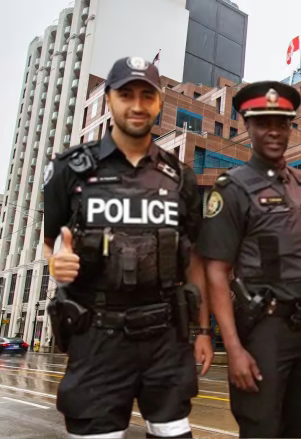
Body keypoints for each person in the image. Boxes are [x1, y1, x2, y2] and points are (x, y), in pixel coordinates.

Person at [44, 57, 213, 438]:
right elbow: (51, 241)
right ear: (109, 100)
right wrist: (56, 263)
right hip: (97, 336)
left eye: (146, 96)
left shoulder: (180, 177)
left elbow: (194, 260)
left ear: (158, 104)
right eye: (126, 94)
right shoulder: (71, 169)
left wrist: (203, 331)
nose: (137, 105)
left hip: (165, 337)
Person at [198, 81, 301, 438]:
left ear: (291, 126)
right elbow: (216, 272)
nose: (273, 131)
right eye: (263, 123)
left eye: (281, 122)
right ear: (248, 125)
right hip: (263, 332)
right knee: (262, 430)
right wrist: (234, 348)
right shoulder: (233, 188)